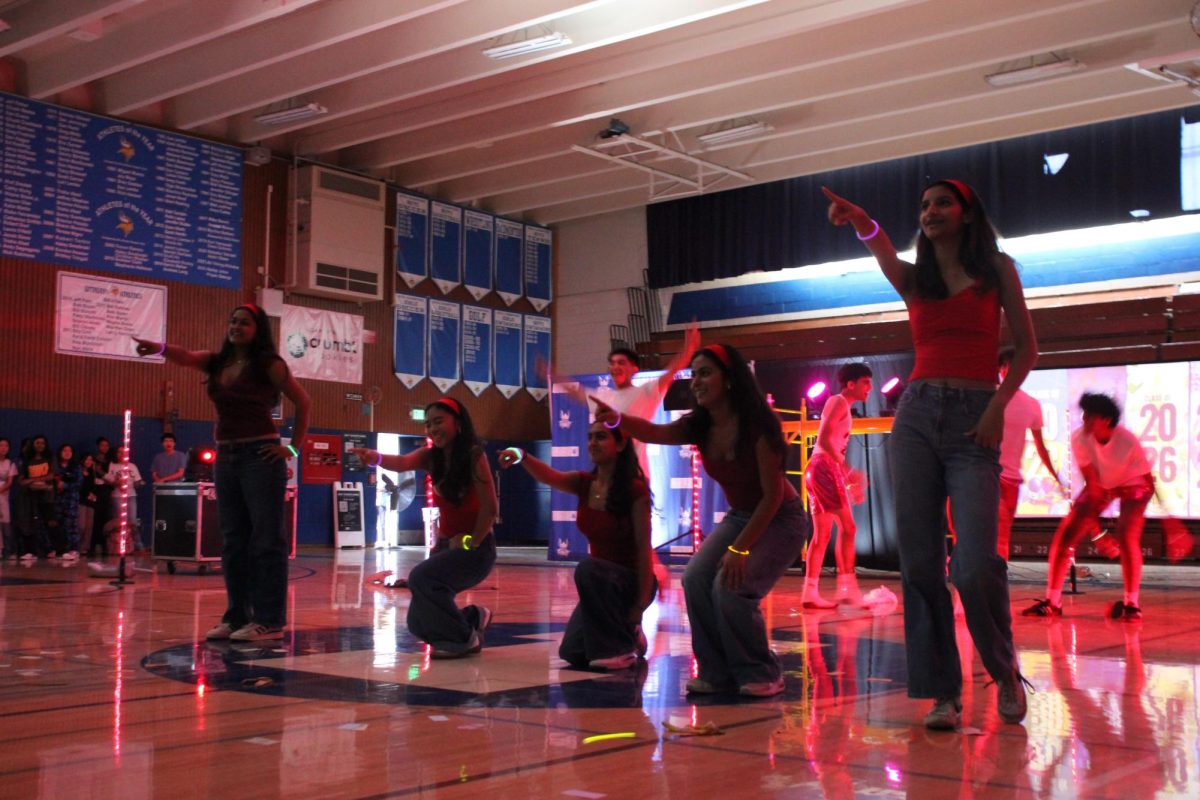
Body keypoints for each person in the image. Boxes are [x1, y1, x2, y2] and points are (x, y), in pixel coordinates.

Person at [824, 180, 1036, 729]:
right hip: (916, 416)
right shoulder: (916, 279)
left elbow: (1029, 349)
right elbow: (879, 249)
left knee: (974, 564)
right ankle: (943, 691)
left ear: (967, 213)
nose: (931, 211)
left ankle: (1004, 669)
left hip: (974, 418)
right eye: (923, 205)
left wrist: (996, 408)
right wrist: (862, 218)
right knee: (919, 564)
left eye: (943, 202)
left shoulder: (997, 269)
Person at [593, 343, 807, 698]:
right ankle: (716, 671)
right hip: (742, 515)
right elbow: (653, 433)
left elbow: (771, 498)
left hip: (780, 519)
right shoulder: (699, 425)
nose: (696, 382)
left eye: (705, 373)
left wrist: (739, 550)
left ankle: (761, 670)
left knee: (731, 586)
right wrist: (616, 419)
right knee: (694, 578)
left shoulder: (759, 427)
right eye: (693, 375)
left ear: (729, 380)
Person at [134, 302, 311, 642]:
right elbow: (185, 356)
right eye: (233, 321)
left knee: (266, 539)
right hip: (227, 458)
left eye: (244, 323)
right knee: (233, 540)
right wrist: (158, 347)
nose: (236, 327)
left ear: (257, 329)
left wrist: (291, 449)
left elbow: (304, 402)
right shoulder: (218, 362)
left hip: (261, 456)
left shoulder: (269, 365)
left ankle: (270, 621)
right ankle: (236, 616)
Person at [498, 421, 655, 671]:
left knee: (588, 568)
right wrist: (522, 455)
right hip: (601, 583)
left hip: (629, 582)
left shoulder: (635, 490)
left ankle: (620, 650)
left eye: (601, 437)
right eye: (590, 437)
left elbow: (644, 551)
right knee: (572, 651)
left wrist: (640, 605)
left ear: (621, 444)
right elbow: (550, 476)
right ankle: (631, 634)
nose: (593, 442)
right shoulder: (584, 483)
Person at [352, 398, 497, 658]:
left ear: (458, 422)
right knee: (417, 623)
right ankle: (473, 617)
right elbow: (401, 462)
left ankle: (466, 640)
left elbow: (490, 509)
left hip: (477, 549)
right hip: (445, 547)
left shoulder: (474, 455)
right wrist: (376, 458)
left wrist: (468, 542)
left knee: (421, 578)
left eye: (438, 421)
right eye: (428, 424)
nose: (432, 429)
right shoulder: (431, 457)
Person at [1022, 393, 1154, 621]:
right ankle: (1052, 602)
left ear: (1106, 419)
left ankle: (1132, 604)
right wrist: (1099, 534)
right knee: (1066, 534)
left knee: (1127, 534)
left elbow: (1148, 482)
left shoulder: (1127, 441)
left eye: (1090, 415)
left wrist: (1172, 525)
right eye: (1084, 414)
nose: (1084, 419)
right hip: (1103, 484)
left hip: (1133, 484)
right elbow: (1093, 490)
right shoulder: (1079, 438)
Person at [803, 362, 873, 608]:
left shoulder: (842, 405)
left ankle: (810, 593)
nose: (870, 388)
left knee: (822, 535)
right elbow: (823, 439)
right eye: (866, 382)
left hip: (819, 467)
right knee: (849, 528)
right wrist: (848, 473)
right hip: (823, 467)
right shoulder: (838, 401)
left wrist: (846, 478)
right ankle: (847, 589)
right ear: (851, 384)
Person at [996, 347, 1063, 560]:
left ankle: (996, 587)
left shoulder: (1032, 405)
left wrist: (1056, 476)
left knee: (1002, 538)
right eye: (1008, 365)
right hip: (989, 474)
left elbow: (1041, 446)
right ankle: (970, 589)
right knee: (984, 535)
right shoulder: (989, 395)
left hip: (1012, 480)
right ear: (1002, 368)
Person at [18, 435, 59, 560]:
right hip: (31, 497)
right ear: (33, 444)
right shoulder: (27, 459)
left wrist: (32, 480)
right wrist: (34, 482)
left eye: (42, 443)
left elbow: (51, 476)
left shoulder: (50, 458)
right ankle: (32, 551)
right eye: (37, 443)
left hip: (47, 496)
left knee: (50, 522)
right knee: (32, 523)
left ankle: (54, 548)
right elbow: (21, 481)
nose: (40, 445)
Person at [102, 447, 146, 553]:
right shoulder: (112, 466)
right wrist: (117, 483)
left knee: (132, 521)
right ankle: (118, 545)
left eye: (124, 452)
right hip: (117, 496)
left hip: (130, 496)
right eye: (119, 452)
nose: (122, 454)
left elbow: (138, 481)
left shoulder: (132, 466)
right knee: (118, 522)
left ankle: (137, 545)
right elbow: (108, 481)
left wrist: (139, 483)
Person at [53, 444, 82, 561]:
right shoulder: (55, 467)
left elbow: (79, 484)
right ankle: (61, 549)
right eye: (64, 450)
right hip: (58, 500)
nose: (67, 453)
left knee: (71, 525)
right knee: (58, 525)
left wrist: (65, 485)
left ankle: (73, 549)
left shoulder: (76, 468)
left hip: (71, 500)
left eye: (69, 450)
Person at [77, 453, 100, 560]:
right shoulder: (79, 472)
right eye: (87, 459)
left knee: (89, 526)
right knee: (81, 525)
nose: (89, 461)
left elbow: (95, 486)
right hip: (81, 500)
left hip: (90, 501)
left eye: (91, 459)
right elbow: (78, 487)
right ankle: (77, 546)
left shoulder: (93, 473)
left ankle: (85, 548)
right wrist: (87, 494)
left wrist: (93, 494)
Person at [0, 438, 15, 561]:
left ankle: (7, 551)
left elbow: (9, 482)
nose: (3, 448)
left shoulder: (10, 463)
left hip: (4, 496)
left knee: (5, 523)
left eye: (6, 445)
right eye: (1, 445)